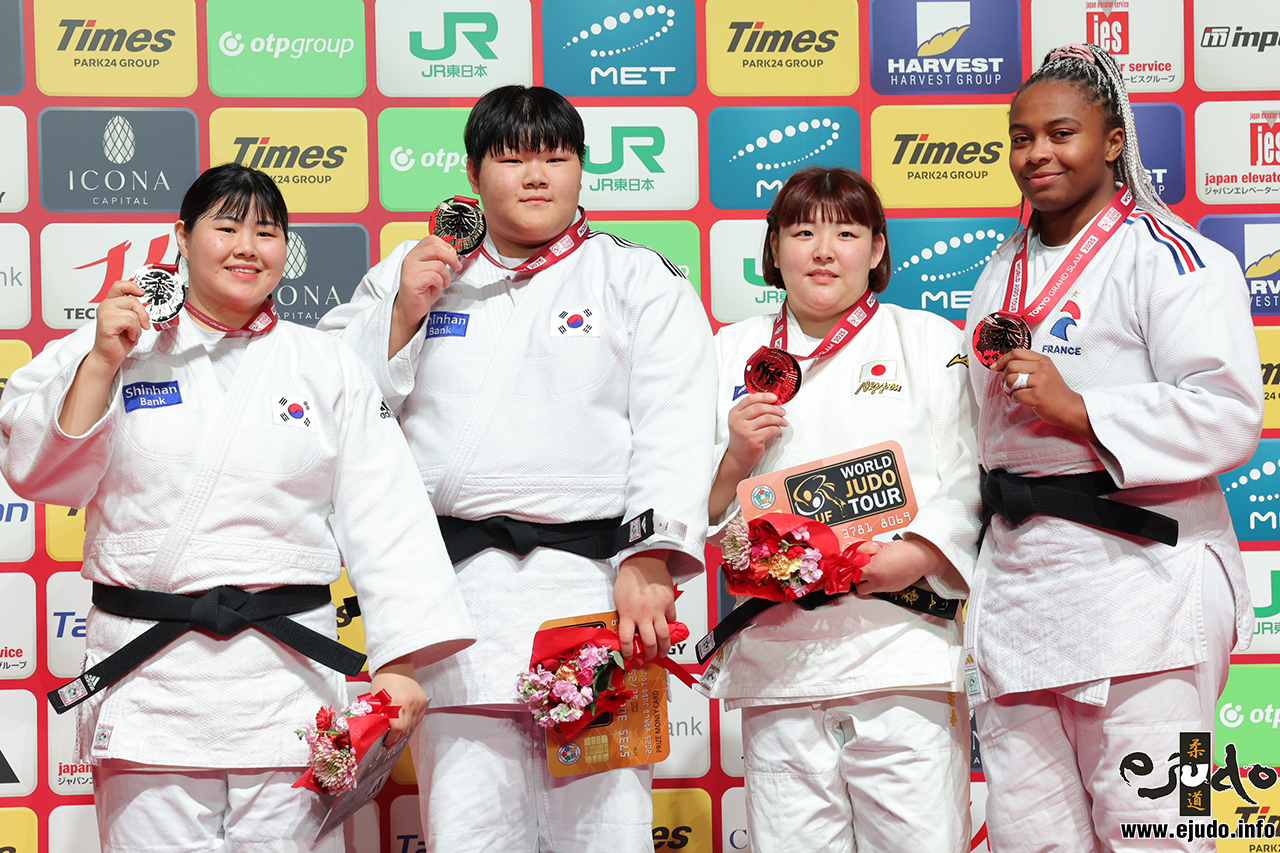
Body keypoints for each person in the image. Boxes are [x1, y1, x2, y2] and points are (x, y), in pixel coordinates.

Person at [0, 164, 475, 853]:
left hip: (286, 681)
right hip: (150, 681)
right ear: (181, 239)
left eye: (267, 231)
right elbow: (41, 469)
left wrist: (404, 658)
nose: (247, 245)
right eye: (226, 227)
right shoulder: (116, 343)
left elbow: (388, 513)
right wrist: (102, 360)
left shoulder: (326, 363)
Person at [317, 85, 716, 853]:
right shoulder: (415, 270)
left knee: (604, 834)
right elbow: (335, 407)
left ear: (581, 169)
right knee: (468, 830)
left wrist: (651, 555)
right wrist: (401, 314)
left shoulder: (638, 280)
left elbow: (675, 425)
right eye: (512, 157)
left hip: (594, 590)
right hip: (455, 601)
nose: (536, 176)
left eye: (555, 157)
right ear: (473, 173)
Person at [963, 44, 1263, 851]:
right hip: (1025, 590)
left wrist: (1082, 409)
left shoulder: (1177, 255)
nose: (1037, 154)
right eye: (1021, 137)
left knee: (1165, 833)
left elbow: (1230, 411)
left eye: (1061, 133)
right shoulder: (1003, 269)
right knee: (1034, 840)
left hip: (1147, 586)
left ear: (1113, 141)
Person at [704, 166, 981, 853]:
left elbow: (975, 471)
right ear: (773, 250)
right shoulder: (728, 352)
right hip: (778, 660)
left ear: (879, 249)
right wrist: (736, 457)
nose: (824, 251)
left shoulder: (928, 340)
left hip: (904, 647)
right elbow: (691, 503)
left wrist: (915, 553)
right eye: (802, 232)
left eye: (846, 232)